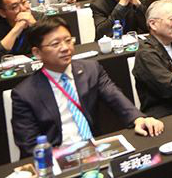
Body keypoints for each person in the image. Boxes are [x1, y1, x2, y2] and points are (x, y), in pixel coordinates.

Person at [11, 16, 163, 154]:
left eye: (68, 40)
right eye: (55, 44)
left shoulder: (91, 69)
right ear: (37, 53)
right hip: (56, 156)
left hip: (94, 149)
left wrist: (138, 119)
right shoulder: (25, 93)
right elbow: (28, 144)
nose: (65, 48)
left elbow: (115, 97)